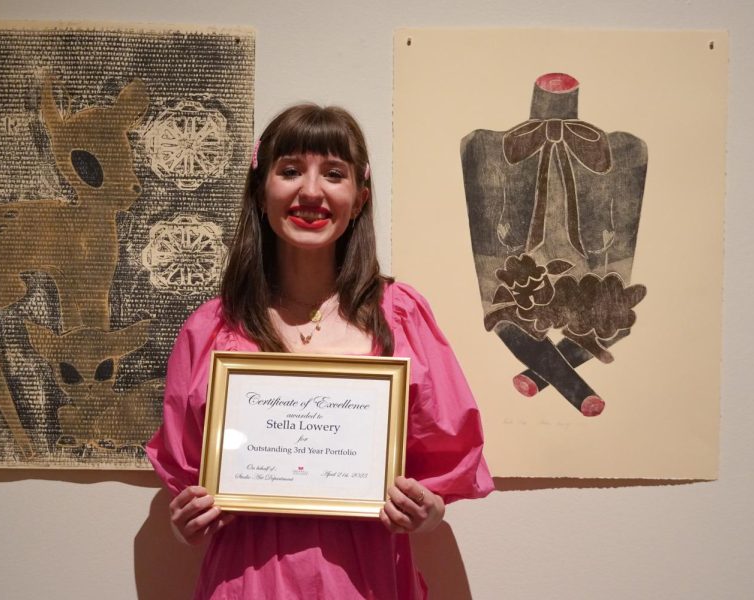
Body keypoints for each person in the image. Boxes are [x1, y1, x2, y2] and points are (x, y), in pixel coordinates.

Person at [146, 103, 493, 599]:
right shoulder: (210, 328)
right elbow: (190, 477)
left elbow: (442, 469)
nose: (311, 191)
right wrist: (187, 520)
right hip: (246, 583)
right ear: (260, 189)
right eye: (290, 171)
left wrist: (426, 512)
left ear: (359, 197)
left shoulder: (400, 316)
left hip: (366, 580)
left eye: (334, 174)